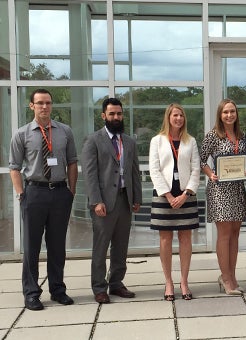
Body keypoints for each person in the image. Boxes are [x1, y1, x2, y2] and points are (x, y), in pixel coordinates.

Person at [9, 89, 78, 311]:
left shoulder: (64, 131)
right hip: (34, 193)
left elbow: (72, 162)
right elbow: (14, 167)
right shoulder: (22, 134)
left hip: (59, 193)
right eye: (39, 103)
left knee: (57, 246)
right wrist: (22, 194)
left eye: (48, 102)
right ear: (32, 106)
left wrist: (71, 191)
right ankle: (31, 293)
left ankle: (58, 290)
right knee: (31, 246)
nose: (44, 107)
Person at [81, 97, 142, 304]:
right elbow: (89, 174)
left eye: (119, 114)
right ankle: (99, 287)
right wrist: (96, 201)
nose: (116, 117)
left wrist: (137, 198)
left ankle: (116, 283)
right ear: (103, 116)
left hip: (125, 200)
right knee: (101, 246)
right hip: (104, 203)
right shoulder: (93, 140)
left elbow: (134, 171)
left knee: (121, 245)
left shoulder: (129, 141)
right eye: (112, 114)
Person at [149, 103, 200, 301]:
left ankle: (184, 281)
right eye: (175, 115)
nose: (178, 118)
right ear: (168, 117)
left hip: (186, 195)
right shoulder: (157, 141)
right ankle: (168, 282)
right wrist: (169, 196)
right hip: (164, 196)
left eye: (181, 115)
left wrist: (186, 194)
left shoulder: (191, 141)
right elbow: (154, 169)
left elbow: (196, 169)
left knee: (186, 239)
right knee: (166, 240)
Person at [200, 98, 246, 296]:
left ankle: (232, 276)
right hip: (219, 189)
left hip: (237, 188)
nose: (229, 115)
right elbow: (202, 159)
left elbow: (244, 158)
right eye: (225, 112)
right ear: (220, 115)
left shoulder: (241, 135)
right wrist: (211, 174)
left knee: (235, 233)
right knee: (225, 233)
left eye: (232, 112)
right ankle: (226, 278)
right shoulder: (213, 135)